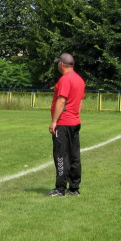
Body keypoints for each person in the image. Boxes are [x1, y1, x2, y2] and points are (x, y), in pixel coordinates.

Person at [47, 53, 85, 196]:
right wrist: (76, 115)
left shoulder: (65, 79)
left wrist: (54, 121)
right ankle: (74, 188)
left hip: (63, 123)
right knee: (74, 155)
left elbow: (61, 100)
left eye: (58, 63)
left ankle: (60, 188)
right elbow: (80, 102)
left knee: (61, 155)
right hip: (75, 121)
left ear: (62, 64)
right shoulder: (79, 80)